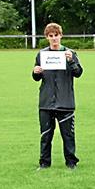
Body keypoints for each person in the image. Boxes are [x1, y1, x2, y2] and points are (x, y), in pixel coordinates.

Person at [32, 22, 83, 169]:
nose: (54, 38)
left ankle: (71, 162)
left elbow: (78, 73)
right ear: (47, 37)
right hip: (46, 101)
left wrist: (71, 61)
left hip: (65, 102)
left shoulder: (70, 53)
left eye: (56, 35)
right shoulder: (42, 54)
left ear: (61, 36)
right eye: (50, 36)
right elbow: (37, 77)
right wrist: (35, 72)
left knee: (68, 135)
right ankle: (44, 163)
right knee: (45, 135)